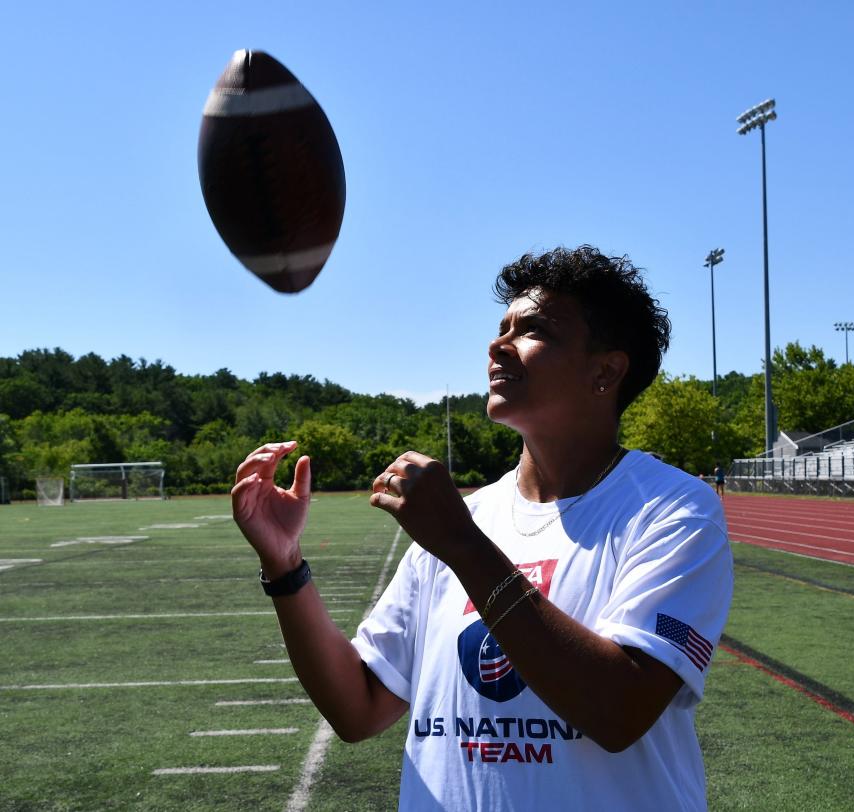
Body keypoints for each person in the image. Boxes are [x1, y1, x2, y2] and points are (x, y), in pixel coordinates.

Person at [233, 246, 733, 811]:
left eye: (534, 329)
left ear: (605, 371)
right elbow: (359, 705)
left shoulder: (673, 509)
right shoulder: (465, 518)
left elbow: (619, 711)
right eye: (501, 329)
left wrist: (463, 545)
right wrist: (284, 565)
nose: (498, 346)